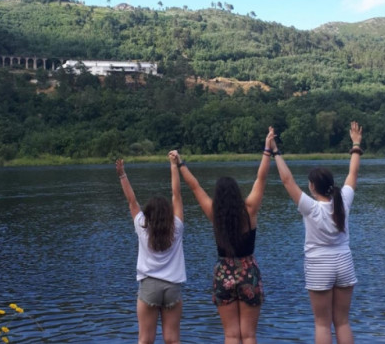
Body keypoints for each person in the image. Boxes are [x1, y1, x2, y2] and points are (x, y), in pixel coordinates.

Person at [169, 126, 274, 344]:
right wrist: (267, 149)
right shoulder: (250, 209)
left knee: (231, 335)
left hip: (224, 273)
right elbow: (261, 178)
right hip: (248, 273)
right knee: (249, 335)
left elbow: (195, 186)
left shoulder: (214, 214)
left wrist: (180, 163)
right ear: (237, 192)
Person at [269, 121, 363, 344]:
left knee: (322, 323)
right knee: (342, 321)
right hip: (344, 262)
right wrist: (356, 144)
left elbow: (286, 180)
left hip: (319, 265)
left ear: (312, 187)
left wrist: (275, 151)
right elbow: (352, 174)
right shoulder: (343, 202)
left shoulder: (310, 207)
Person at [116, 154, 186, 344]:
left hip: (149, 287)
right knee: (172, 339)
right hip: (172, 287)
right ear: (169, 213)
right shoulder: (177, 227)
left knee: (145, 339)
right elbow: (176, 195)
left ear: (148, 214)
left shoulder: (142, 226)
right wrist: (174, 165)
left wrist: (122, 175)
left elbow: (132, 201)